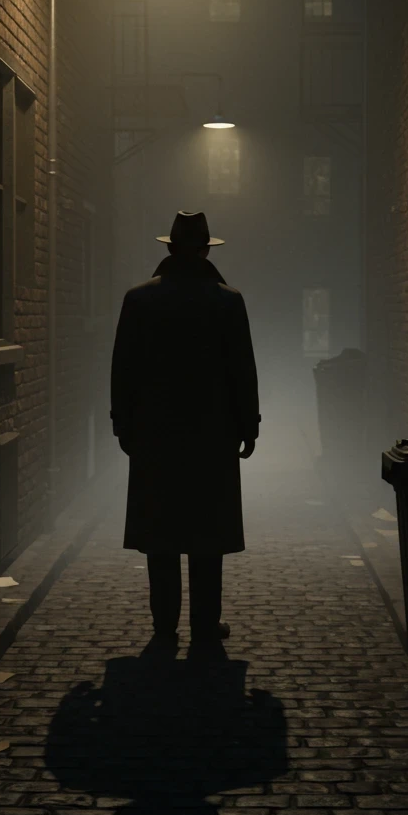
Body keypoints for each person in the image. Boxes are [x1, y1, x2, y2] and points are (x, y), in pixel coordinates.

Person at [110, 210, 261, 646]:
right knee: (207, 533)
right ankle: (204, 624)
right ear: (205, 250)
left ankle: (164, 626)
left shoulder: (139, 300)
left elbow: (124, 369)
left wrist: (123, 423)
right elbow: (242, 370)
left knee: (160, 533)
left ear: (171, 248)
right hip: (212, 434)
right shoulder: (227, 301)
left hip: (155, 432)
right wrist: (248, 424)